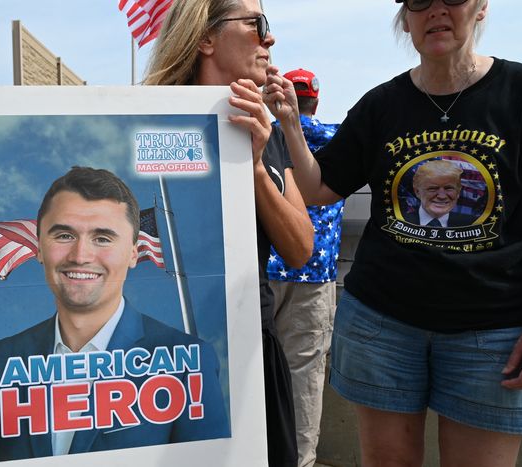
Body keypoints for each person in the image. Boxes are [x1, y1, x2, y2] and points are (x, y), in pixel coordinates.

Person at [263, 1, 522, 465]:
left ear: (480, 8)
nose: (436, 11)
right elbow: (318, 187)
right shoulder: (381, 105)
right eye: (419, 2)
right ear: (406, 17)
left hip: (492, 333)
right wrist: (288, 124)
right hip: (382, 325)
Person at [146, 2, 314, 466]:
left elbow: (300, 248)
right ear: (206, 38)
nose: (269, 39)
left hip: (251, 348)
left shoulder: (264, 129)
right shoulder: (146, 124)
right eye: (256, 25)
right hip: (162, 361)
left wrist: (255, 166)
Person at [0, 166, 229, 463]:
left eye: (103, 238)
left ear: (133, 253)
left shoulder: (187, 361)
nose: (80, 255)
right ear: (39, 247)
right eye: (64, 235)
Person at [266, 68, 342, 467]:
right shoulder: (336, 139)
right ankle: (302, 460)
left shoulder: (265, 139)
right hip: (314, 278)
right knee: (304, 378)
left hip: (262, 272)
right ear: (315, 98)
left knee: (256, 373)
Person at [403, 159, 474, 227]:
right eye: (433, 189)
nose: (442, 196)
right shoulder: (401, 222)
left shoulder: (473, 224)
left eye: (448, 188)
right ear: (417, 192)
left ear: (458, 192)